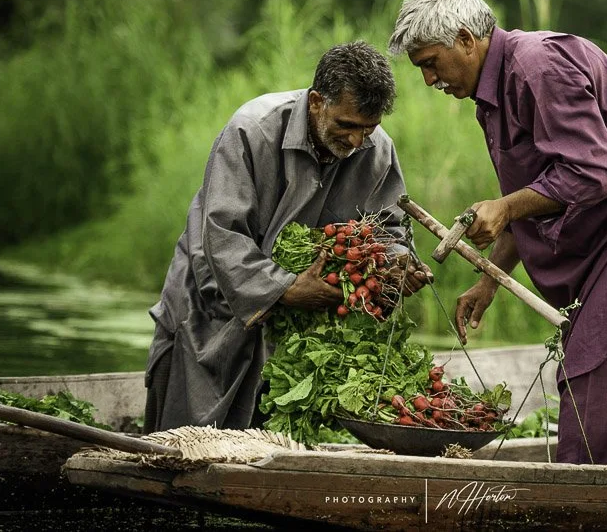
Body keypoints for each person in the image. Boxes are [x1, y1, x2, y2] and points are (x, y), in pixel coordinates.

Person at [389, 0, 607, 465]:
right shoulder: (494, 93)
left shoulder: (536, 64)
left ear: (465, 39)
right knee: (592, 388)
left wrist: (503, 207)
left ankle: (583, 507)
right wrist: (490, 281)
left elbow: (595, 171)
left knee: (596, 390)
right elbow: (544, 190)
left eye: (429, 63)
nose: (429, 80)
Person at [143, 41, 432, 433]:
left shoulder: (376, 152)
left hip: (294, 328)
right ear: (316, 102)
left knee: (269, 432)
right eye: (346, 126)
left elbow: (390, 228)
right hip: (211, 306)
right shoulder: (252, 130)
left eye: (368, 128)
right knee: (184, 437)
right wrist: (287, 289)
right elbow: (223, 235)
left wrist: (397, 264)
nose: (355, 142)